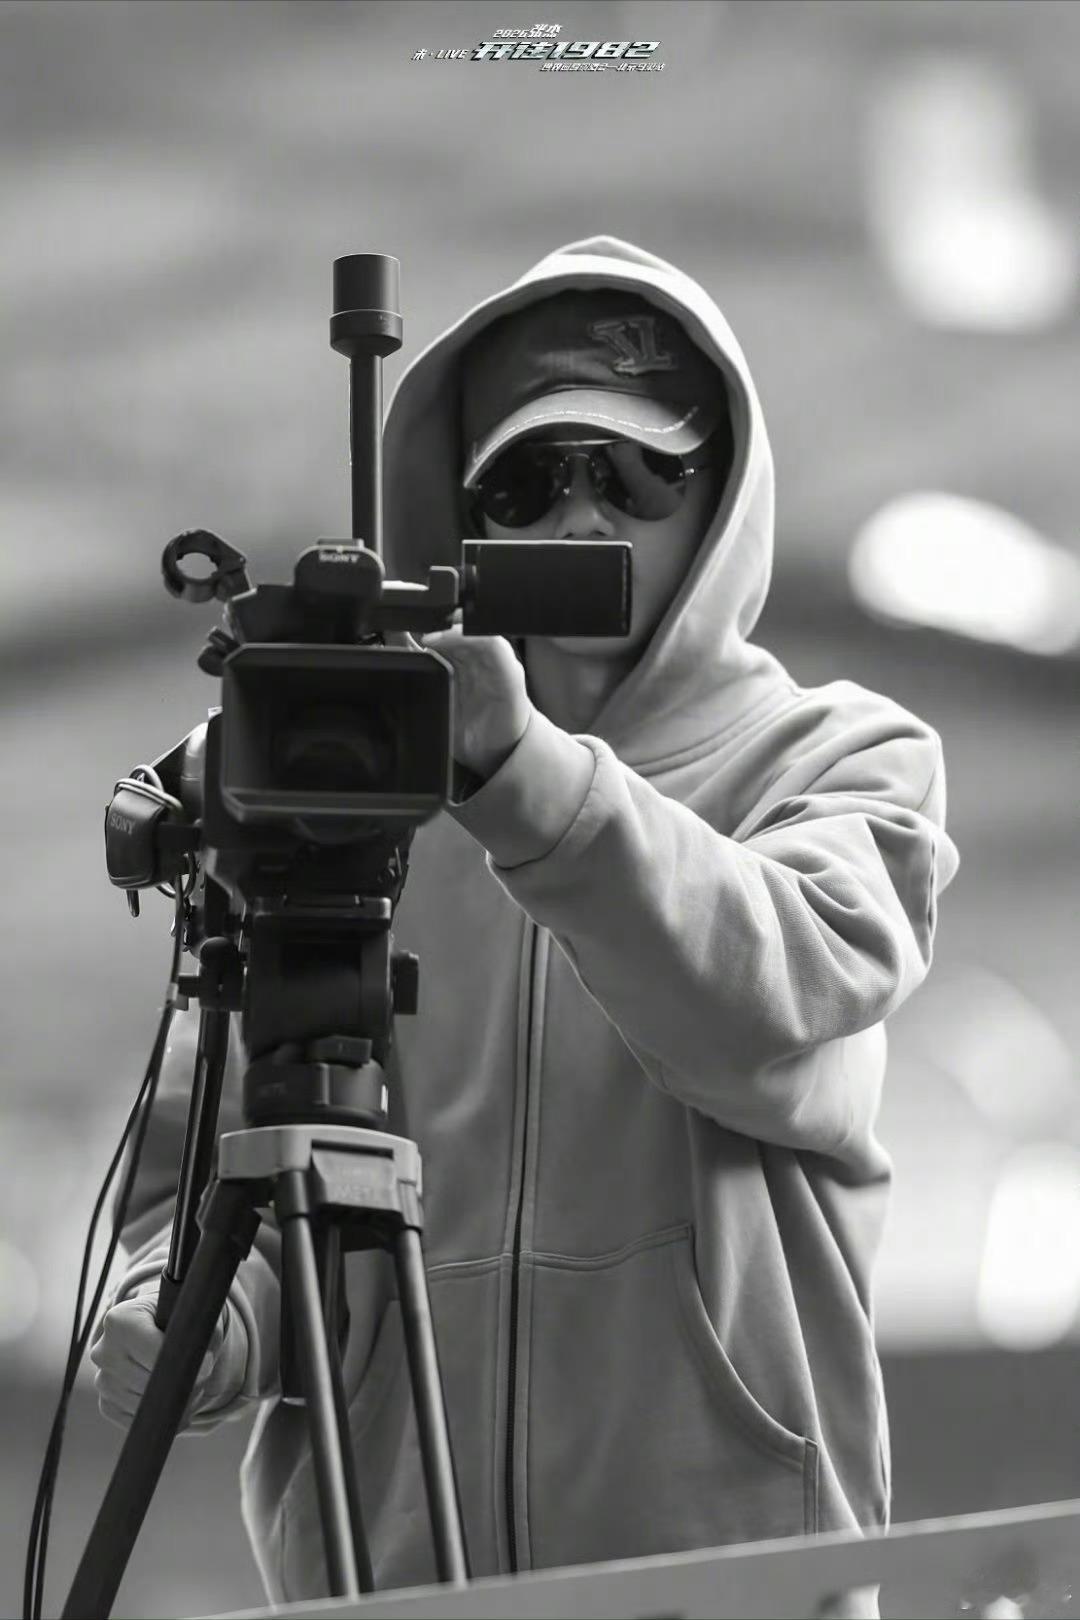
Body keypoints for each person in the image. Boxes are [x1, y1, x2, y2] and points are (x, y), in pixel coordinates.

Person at [90, 236, 959, 1607]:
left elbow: (765, 1002)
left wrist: (521, 777)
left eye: (634, 471)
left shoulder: (843, 761)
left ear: (720, 490)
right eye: (526, 482)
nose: (578, 517)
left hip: (727, 1583)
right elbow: (248, 1150)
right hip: (394, 1584)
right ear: (461, 518)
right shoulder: (355, 793)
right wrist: (203, 1321)